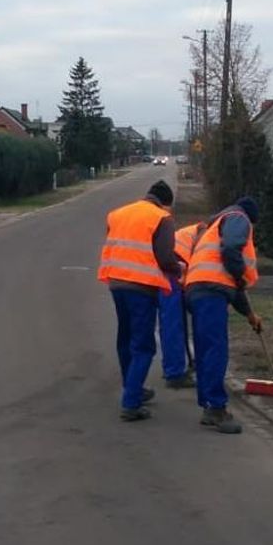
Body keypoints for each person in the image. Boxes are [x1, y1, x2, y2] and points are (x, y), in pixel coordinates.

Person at [98, 180, 182, 421]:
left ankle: (132, 386)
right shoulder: (161, 218)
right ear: (166, 203)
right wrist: (178, 271)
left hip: (116, 282)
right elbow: (165, 257)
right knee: (143, 345)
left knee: (125, 338)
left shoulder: (118, 214)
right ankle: (131, 403)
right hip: (141, 287)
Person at [185, 197, 263, 434]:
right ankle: (216, 408)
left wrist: (250, 315)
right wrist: (239, 275)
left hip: (198, 290)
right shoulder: (239, 218)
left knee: (206, 349)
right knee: (216, 350)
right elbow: (231, 250)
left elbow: (234, 288)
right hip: (211, 291)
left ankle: (209, 405)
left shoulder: (216, 224)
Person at [158, 221, 206, 390]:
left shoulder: (194, 230)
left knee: (171, 323)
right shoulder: (205, 232)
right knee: (173, 324)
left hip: (170, 267)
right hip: (174, 269)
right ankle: (174, 373)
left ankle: (172, 367)